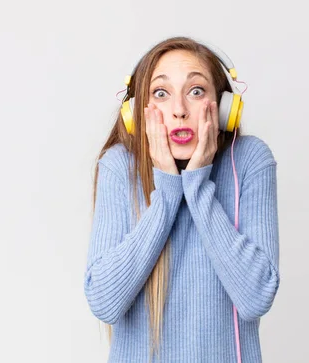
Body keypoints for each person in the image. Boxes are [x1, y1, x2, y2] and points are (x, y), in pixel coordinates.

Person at [84, 36, 280, 363]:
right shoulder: (119, 167)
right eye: (161, 93)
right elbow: (105, 302)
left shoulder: (248, 160)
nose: (178, 111)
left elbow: (256, 297)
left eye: (196, 91)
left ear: (223, 109)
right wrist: (168, 191)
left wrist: (198, 184)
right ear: (136, 113)